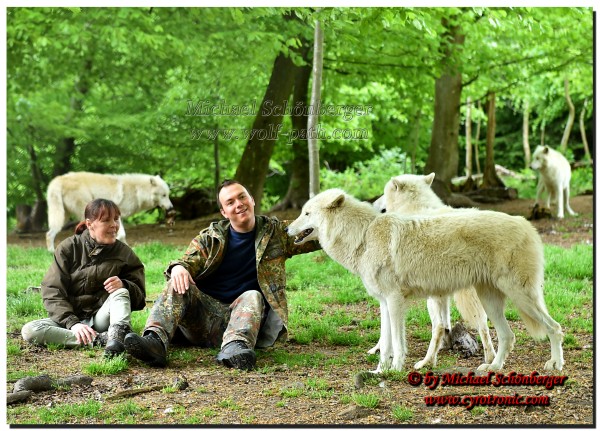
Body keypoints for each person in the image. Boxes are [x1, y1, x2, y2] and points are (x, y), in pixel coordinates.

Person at [124, 179, 319, 370]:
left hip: (244, 322)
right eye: (230, 202)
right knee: (176, 282)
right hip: (201, 320)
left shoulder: (277, 233)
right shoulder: (211, 238)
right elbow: (186, 262)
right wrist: (178, 268)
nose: (239, 204)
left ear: (252, 200)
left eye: (242, 197)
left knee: (252, 295)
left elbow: (321, 234)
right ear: (223, 212)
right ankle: (155, 342)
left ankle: (235, 349)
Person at [22, 198, 146, 358]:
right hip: (68, 322)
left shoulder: (125, 253)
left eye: (116, 219)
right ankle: (100, 340)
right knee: (30, 330)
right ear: (89, 224)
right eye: (106, 220)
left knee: (121, 292)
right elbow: (52, 291)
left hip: (102, 318)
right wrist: (73, 324)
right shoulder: (68, 248)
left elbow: (140, 298)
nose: (114, 225)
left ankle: (118, 338)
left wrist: (125, 285)